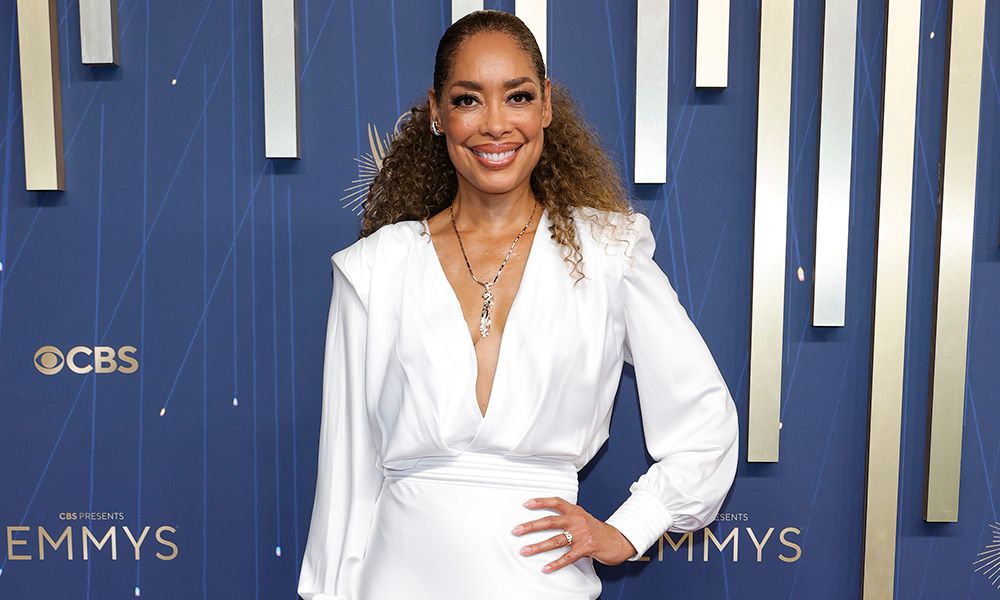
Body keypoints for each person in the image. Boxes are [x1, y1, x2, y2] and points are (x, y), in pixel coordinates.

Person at [298, 9, 738, 600]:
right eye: (468, 100)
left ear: (546, 106)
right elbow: (346, 477)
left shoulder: (607, 252)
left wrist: (631, 528)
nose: (496, 125)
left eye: (518, 96)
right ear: (437, 112)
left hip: (541, 583)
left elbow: (704, 425)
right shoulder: (377, 267)